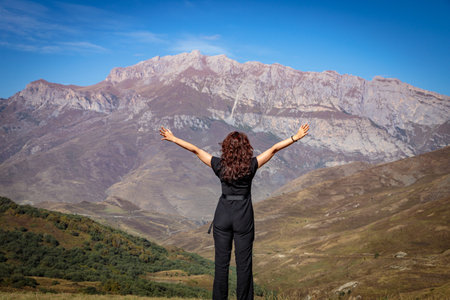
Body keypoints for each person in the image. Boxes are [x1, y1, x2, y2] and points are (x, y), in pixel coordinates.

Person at [159, 123, 310, 300]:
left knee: (221, 266)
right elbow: (274, 149)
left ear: (226, 148)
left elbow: (196, 151)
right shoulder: (251, 166)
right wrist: (296, 137)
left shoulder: (219, 165)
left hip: (222, 216)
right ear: (246, 149)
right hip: (243, 218)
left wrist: (173, 138)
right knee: (244, 265)